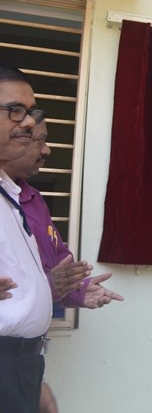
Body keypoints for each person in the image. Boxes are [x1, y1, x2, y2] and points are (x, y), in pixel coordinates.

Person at [3, 120, 122, 309]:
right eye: (39, 141)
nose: (46, 150)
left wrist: (76, 290)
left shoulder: (33, 199)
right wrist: (46, 288)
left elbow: (55, 269)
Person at [0, 64, 51, 413]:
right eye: (15, 110)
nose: (30, 124)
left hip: (19, 370)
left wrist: (34, 381)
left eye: (31, 112)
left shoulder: (14, 195)